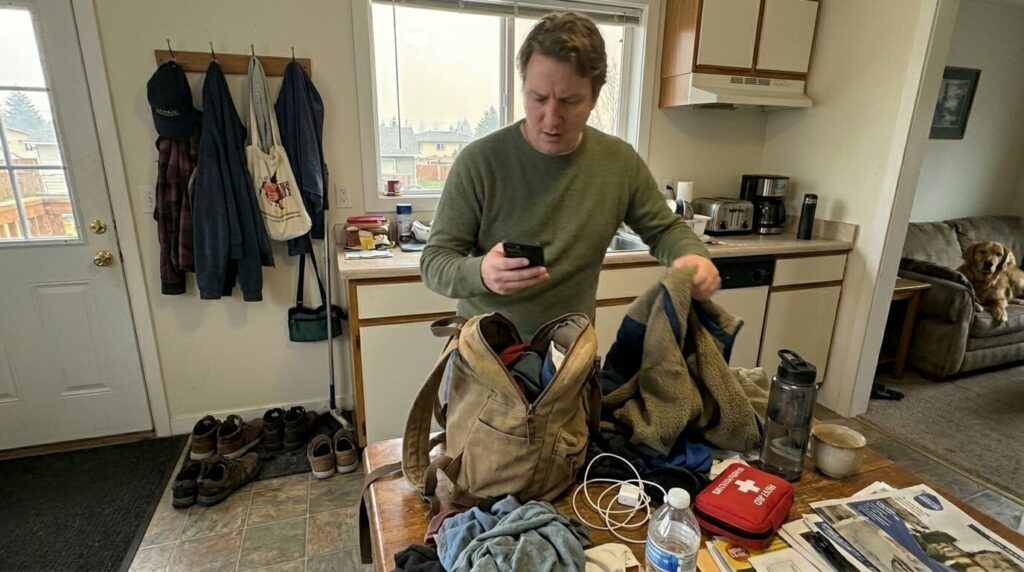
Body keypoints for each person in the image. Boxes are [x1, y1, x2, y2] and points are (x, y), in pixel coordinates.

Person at [421, 12, 720, 338]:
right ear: (524, 88)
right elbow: (434, 262)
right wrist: (480, 273)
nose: (551, 118)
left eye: (569, 101)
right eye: (538, 98)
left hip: (570, 351)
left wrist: (693, 257)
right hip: (485, 350)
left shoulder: (618, 163)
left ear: (593, 98)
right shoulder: (479, 162)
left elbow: (664, 230)